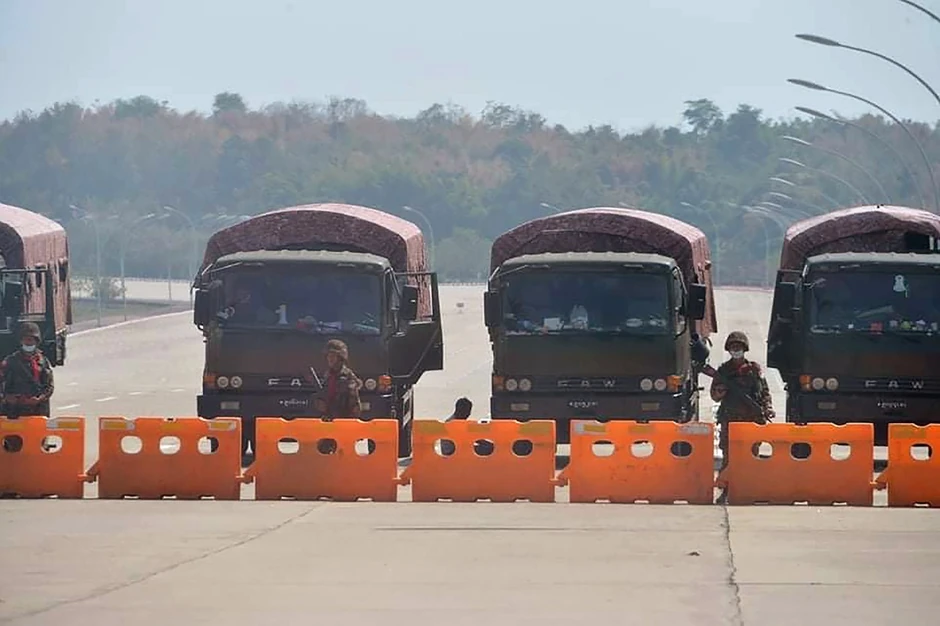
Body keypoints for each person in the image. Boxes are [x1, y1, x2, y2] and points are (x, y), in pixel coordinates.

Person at [710, 330, 775, 501]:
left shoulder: (753, 370)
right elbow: (714, 395)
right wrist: (720, 391)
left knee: (751, 457)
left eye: (739, 347)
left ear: (745, 349)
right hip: (730, 420)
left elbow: (764, 392)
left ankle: (749, 491)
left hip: (750, 420)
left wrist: (767, 408)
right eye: (733, 347)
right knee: (728, 458)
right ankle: (725, 491)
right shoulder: (723, 371)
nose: (736, 350)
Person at [0, 322, 55, 452]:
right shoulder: (10, 361)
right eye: (26, 339)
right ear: (21, 340)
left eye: (31, 339)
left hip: (37, 411)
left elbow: (49, 386)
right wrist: (6, 398)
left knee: (38, 446)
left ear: (37, 341)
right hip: (15, 412)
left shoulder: (42, 361)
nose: (28, 342)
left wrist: (39, 398)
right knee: (14, 447)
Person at [313, 339, 362, 454]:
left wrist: (351, 426)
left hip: (342, 423)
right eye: (328, 356)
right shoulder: (328, 375)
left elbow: (354, 405)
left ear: (341, 358)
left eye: (333, 356)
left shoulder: (347, 377)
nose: (329, 359)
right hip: (328, 422)